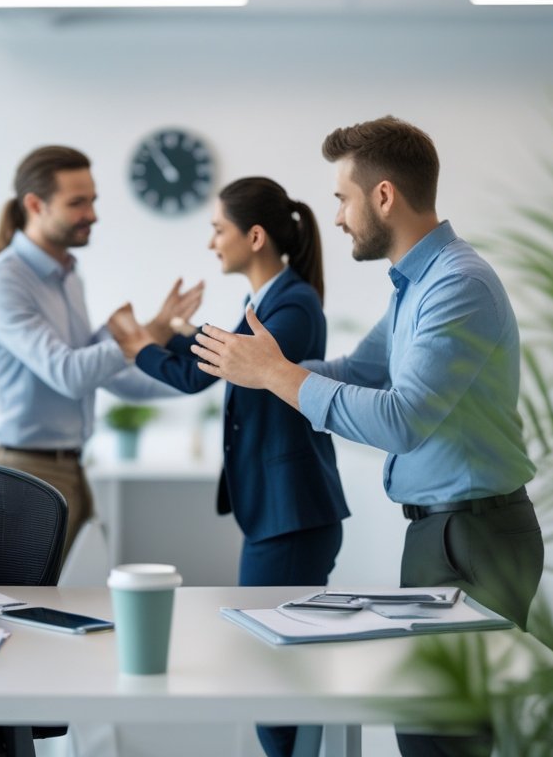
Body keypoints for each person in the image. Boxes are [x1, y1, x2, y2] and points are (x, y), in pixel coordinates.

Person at [191, 117, 542, 757]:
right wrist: (273, 371)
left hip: (476, 535)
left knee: (442, 741)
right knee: (426, 734)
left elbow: (401, 420)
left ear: (382, 197)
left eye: (342, 199)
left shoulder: (457, 285)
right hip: (443, 532)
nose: (338, 217)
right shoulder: (416, 285)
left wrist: (275, 375)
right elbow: (361, 372)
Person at [108, 176, 350, 757]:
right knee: (269, 679)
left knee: (271, 685)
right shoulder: (269, 304)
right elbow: (220, 351)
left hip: (292, 513)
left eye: (219, 229)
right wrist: (180, 333)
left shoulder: (290, 306)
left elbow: (200, 373)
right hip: (279, 513)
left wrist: (140, 342)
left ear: (256, 236)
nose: (213, 242)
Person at [0, 145, 203, 559]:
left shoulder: (68, 276)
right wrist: (146, 333)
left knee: (56, 598)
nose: (93, 214)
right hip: (27, 471)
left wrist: (210, 373)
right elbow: (68, 373)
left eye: (93, 200)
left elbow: (113, 374)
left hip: (73, 468)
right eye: (77, 203)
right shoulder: (3, 282)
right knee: (17, 602)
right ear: (34, 205)